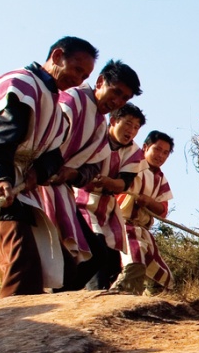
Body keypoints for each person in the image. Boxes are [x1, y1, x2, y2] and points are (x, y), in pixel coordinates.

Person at [0, 36, 97, 297]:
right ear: (57, 57)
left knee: (63, 268)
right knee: (22, 266)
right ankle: (10, 323)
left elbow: (54, 154)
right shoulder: (21, 86)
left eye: (85, 75)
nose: (79, 79)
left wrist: (38, 172)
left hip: (23, 190)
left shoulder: (52, 103)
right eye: (77, 69)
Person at [43, 59, 140, 282]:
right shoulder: (73, 100)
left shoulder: (99, 125)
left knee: (95, 257)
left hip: (62, 190)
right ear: (99, 82)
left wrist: (75, 174)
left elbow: (92, 167)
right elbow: (47, 138)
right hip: (45, 188)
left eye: (124, 98)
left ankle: (63, 295)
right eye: (115, 92)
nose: (117, 101)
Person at [72, 103, 147, 291]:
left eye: (136, 127)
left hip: (108, 207)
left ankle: (98, 291)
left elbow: (123, 183)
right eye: (128, 124)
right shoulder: (94, 136)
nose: (131, 131)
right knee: (94, 247)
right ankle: (91, 293)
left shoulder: (134, 152)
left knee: (113, 259)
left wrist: (107, 182)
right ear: (113, 121)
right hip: (81, 200)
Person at [114, 130, 175, 295]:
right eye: (157, 149)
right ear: (145, 147)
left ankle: (149, 302)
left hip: (142, 229)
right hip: (122, 224)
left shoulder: (161, 179)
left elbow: (162, 210)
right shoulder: (131, 166)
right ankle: (121, 296)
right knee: (135, 259)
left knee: (163, 277)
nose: (160, 155)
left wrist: (149, 202)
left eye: (165, 153)